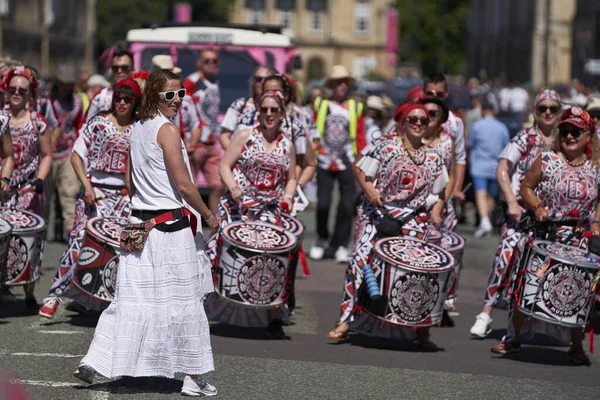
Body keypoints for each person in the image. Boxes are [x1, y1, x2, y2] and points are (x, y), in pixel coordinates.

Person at [73, 69, 218, 396]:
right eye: (170, 95)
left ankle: (95, 360)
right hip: (169, 227)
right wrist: (208, 213)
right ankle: (193, 378)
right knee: (185, 300)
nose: (177, 101)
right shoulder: (166, 130)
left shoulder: (136, 128)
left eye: (181, 94)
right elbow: (183, 184)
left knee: (127, 298)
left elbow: (130, 181)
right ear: (154, 97)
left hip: (137, 223)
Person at [327, 104, 448, 348]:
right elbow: (360, 169)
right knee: (359, 263)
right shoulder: (387, 146)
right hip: (380, 213)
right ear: (403, 123)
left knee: (419, 272)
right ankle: (346, 320)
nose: (417, 123)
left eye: (423, 120)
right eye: (412, 119)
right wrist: (371, 191)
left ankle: (421, 330)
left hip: (414, 218)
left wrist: (436, 210)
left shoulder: (435, 156)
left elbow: (442, 190)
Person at [491, 107, 599, 366]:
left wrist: (596, 221)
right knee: (526, 288)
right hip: (545, 233)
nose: (570, 136)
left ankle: (576, 346)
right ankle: (513, 338)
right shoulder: (547, 159)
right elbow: (526, 186)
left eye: (577, 131)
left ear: (589, 135)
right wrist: (537, 207)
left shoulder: (597, 166)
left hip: (578, 238)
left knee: (578, 293)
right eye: (566, 131)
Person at [39, 79, 142, 319]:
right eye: (119, 97)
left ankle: (128, 302)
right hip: (95, 191)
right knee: (78, 243)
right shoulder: (97, 123)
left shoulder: (140, 128)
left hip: (128, 198)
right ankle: (54, 294)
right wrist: (86, 186)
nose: (122, 102)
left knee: (131, 248)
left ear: (135, 102)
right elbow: (77, 155)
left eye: (128, 99)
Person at [205, 90, 297, 339]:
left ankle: (273, 317)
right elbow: (225, 165)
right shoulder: (246, 135)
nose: (268, 114)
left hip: (269, 208)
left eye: (273, 110)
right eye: (264, 109)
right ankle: (200, 307)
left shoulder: (287, 144)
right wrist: (233, 187)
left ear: (281, 114)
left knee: (277, 257)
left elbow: (292, 178)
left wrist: (288, 197)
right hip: (239, 205)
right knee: (216, 249)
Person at [469, 89, 562, 338]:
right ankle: (486, 313)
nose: (548, 113)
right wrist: (511, 201)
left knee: (543, 270)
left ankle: (534, 322)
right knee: (504, 259)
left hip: (553, 218)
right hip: (521, 213)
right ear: (535, 111)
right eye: (543, 108)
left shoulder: (566, 139)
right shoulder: (526, 138)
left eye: (553, 108)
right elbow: (503, 168)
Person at [1, 66, 52, 313]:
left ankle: (29, 292)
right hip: (2, 189)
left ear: (30, 94)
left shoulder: (38, 122)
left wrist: (40, 180)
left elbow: (47, 155)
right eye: (12, 89)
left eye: (22, 90)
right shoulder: (0, 119)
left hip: (27, 189)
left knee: (30, 242)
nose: (17, 93)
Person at [309, 65, 366, 263]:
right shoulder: (321, 104)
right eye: (337, 82)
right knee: (323, 204)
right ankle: (322, 238)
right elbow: (313, 132)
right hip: (324, 161)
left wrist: (362, 162)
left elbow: (360, 136)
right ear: (331, 85)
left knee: (347, 206)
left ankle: (341, 244)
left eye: (345, 82)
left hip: (348, 162)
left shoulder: (355, 106)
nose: (341, 85)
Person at [183, 49, 225, 214]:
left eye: (214, 61)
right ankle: (191, 224)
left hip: (212, 142)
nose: (211, 64)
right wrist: (188, 139)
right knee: (190, 187)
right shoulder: (192, 81)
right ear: (199, 62)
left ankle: (216, 224)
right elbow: (182, 107)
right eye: (207, 60)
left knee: (219, 185)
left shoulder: (214, 82)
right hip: (196, 142)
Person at [44, 65, 82, 241]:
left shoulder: (76, 102)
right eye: (62, 84)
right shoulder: (48, 102)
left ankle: (70, 232)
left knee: (69, 192)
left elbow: (78, 125)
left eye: (68, 84)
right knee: (45, 196)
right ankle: (41, 232)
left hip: (68, 151)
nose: (65, 87)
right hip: (48, 154)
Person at [424, 74, 467, 209]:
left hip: (444, 191)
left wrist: (456, 189)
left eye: (439, 94)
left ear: (446, 94)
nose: (434, 97)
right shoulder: (415, 117)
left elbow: (459, 159)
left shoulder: (455, 122)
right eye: (429, 93)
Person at [467, 100, 510, 237]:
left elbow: (470, 144)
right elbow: (507, 147)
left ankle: (485, 221)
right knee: (491, 196)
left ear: (483, 111)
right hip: (495, 166)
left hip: (479, 165)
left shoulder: (477, 126)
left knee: (481, 193)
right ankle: (486, 222)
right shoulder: (502, 127)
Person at [220, 65, 275, 149]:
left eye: (267, 79)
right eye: (258, 79)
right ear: (253, 82)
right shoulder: (240, 105)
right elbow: (224, 136)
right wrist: (234, 156)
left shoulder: (279, 109)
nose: (262, 82)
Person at [84, 49, 134, 122]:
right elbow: (85, 124)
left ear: (133, 69)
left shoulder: (141, 96)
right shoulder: (100, 96)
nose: (119, 71)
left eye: (124, 68)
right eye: (115, 68)